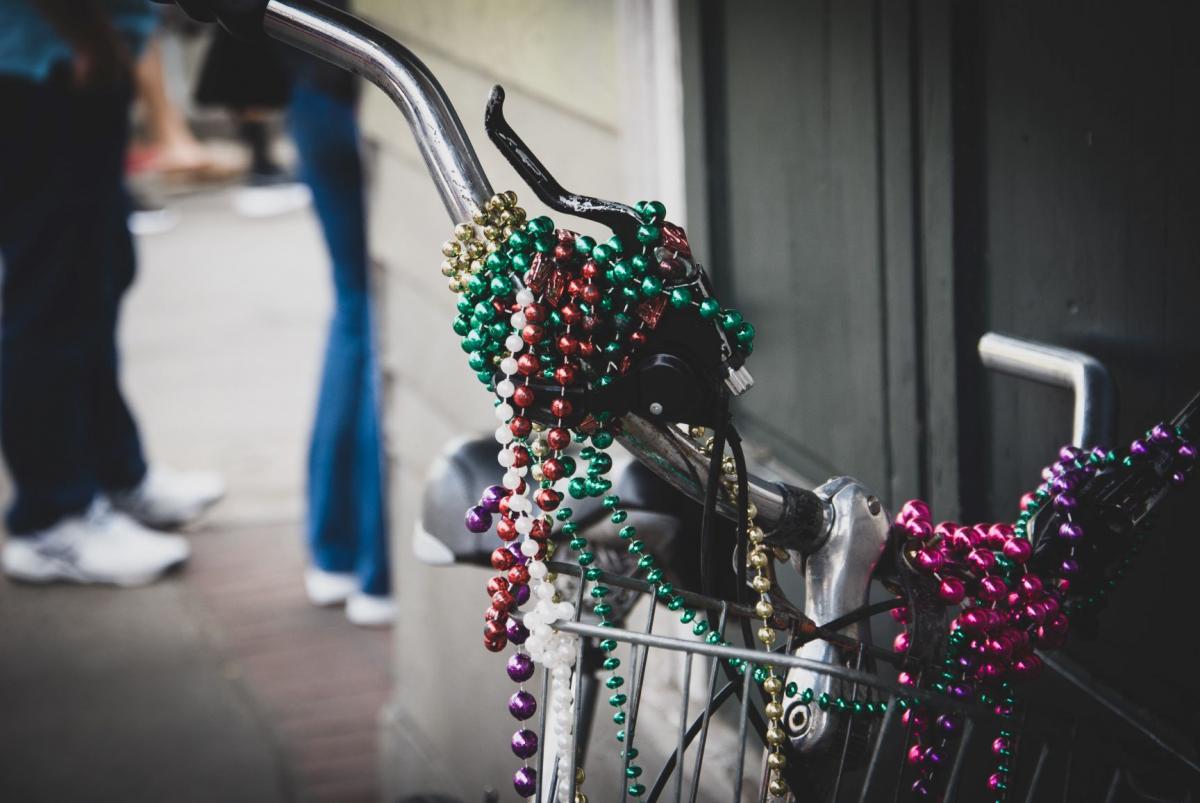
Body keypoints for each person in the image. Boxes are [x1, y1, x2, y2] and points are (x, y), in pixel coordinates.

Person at [0, 0, 225, 587]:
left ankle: (113, 474)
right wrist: (86, 35)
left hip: (80, 54)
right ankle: (51, 519)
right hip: (41, 63)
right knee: (50, 300)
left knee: (96, 279)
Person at [186, 10, 393, 626]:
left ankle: (336, 554)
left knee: (355, 313)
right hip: (358, 86)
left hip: (312, 84)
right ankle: (377, 571)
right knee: (373, 316)